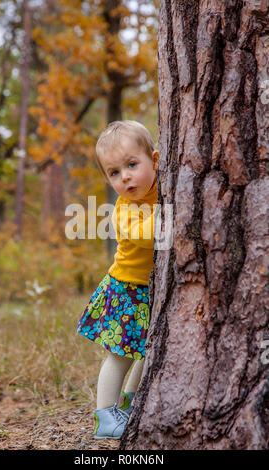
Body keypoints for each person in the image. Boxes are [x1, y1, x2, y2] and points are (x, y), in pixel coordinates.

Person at [77, 120, 159, 440]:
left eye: (131, 165)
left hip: (150, 290)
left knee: (150, 349)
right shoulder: (125, 210)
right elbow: (150, 235)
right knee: (120, 356)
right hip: (126, 290)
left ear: (154, 161)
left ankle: (131, 401)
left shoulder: (164, 186)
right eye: (114, 172)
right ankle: (105, 416)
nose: (124, 177)